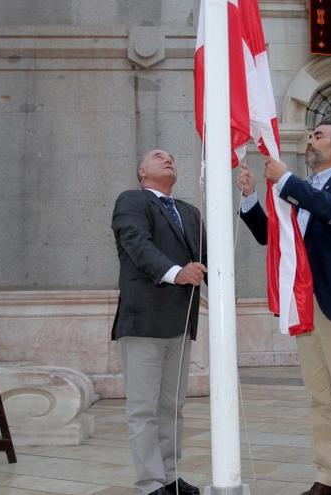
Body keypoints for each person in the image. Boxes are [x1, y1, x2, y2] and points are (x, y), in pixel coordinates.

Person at [236, 121, 331, 495]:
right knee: (319, 396)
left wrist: (286, 180)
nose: (310, 141)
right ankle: (329, 478)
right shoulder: (298, 189)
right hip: (303, 302)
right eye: (311, 135)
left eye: (318, 136)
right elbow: (273, 237)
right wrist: (251, 198)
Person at [111, 149, 206, 495]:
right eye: (157, 157)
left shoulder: (190, 213)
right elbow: (137, 244)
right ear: (142, 171)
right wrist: (178, 272)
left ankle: (170, 476)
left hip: (180, 324)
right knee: (143, 408)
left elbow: (212, 258)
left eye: (171, 158)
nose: (168, 160)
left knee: (172, 407)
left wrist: (246, 201)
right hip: (143, 321)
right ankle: (150, 484)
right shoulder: (132, 202)